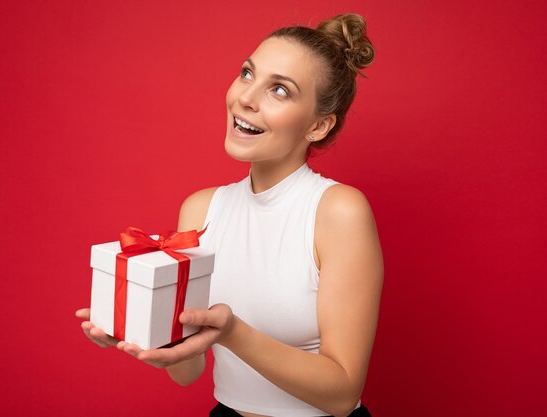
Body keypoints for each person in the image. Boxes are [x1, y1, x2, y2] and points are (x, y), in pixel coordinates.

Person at [76, 13, 383, 417]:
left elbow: (342, 395)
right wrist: (142, 328)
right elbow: (188, 372)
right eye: (246, 73)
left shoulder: (338, 211)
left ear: (318, 126)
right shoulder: (201, 209)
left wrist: (235, 334)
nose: (246, 98)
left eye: (279, 90)